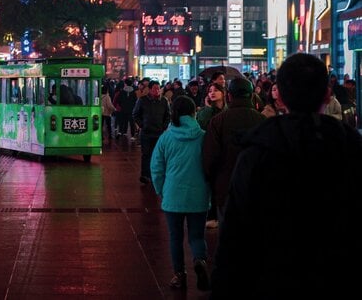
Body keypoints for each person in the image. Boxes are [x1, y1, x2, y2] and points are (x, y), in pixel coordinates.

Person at [211, 54, 362, 296]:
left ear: (278, 95)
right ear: (327, 94)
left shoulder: (256, 153)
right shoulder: (351, 148)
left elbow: (234, 235)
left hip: (271, 279)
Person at [150, 96, 211, 291]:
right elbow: (210, 165)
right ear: (194, 112)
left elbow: (156, 168)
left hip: (173, 195)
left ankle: (179, 274)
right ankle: (200, 260)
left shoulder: (166, 138)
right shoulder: (203, 136)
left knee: (175, 237)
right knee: (196, 236)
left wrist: (161, 190)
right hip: (199, 195)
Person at [201, 77, 265, 229]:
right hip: (255, 186)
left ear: (229, 95)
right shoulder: (262, 120)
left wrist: (212, 180)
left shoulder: (218, 121)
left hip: (226, 186)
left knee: (228, 234)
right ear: (251, 95)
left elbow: (210, 157)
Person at [132, 81, 170, 185]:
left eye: (158, 88)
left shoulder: (164, 101)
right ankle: (145, 175)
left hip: (159, 133)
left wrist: (164, 126)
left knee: (159, 155)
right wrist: (142, 125)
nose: (157, 91)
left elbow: (168, 115)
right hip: (146, 133)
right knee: (146, 155)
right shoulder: (142, 100)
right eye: (154, 88)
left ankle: (157, 175)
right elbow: (135, 114)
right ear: (149, 89)